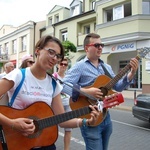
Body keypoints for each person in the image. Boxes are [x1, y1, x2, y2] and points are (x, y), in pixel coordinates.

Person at [0, 35, 99, 150]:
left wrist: (86, 121)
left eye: (58, 56)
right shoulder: (18, 75)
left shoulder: (54, 84)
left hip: (45, 144)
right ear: (38, 50)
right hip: (16, 143)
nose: (54, 58)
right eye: (51, 52)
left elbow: (62, 120)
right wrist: (12, 123)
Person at [62, 33, 139, 150]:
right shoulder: (80, 66)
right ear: (87, 48)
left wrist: (131, 73)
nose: (100, 47)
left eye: (101, 45)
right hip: (90, 116)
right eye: (97, 45)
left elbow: (117, 87)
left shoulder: (106, 67)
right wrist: (85, 92)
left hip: (106, 117)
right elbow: (63, 85)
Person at [53, 57, 72, 150]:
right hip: (56, 106)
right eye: (61, 64)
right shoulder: (54, 76)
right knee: (53, 129)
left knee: (68, 130)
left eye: (65, 64)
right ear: (57, 65)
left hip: (68, 105)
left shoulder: (69, 77)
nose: (63, 66)